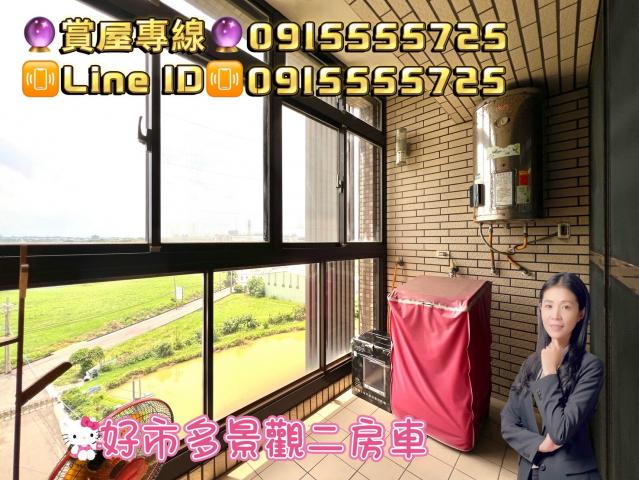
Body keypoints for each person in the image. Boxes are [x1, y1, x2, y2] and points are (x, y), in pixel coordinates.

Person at [501, 272, 604, 480]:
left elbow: (560, 432)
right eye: (548, 306)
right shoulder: (531, 363)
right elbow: (508, 422)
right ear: (540, 309)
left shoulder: (591, 367)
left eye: (566, 307)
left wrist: (550, 372)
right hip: (529, 471)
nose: (555, 315)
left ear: (581, 313)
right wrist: (539, 445)